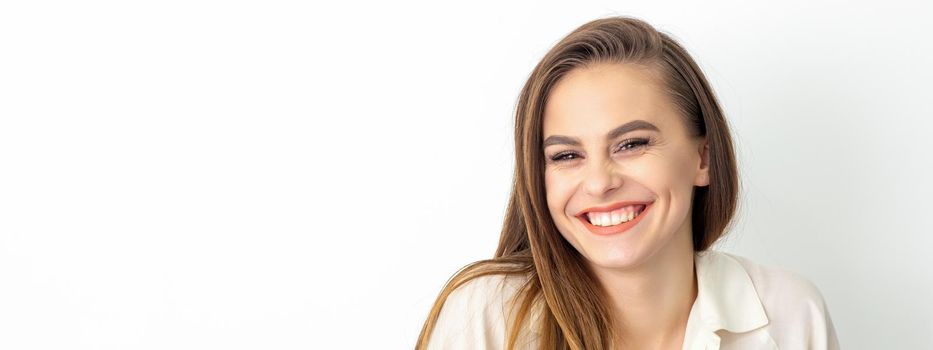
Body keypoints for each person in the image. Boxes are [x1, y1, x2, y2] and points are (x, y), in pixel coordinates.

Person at [415, 16, 840, 350]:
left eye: (632, 143)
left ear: (703, 158)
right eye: (566, 156)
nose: (599, 182)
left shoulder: (791, 312)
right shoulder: (486, 315)